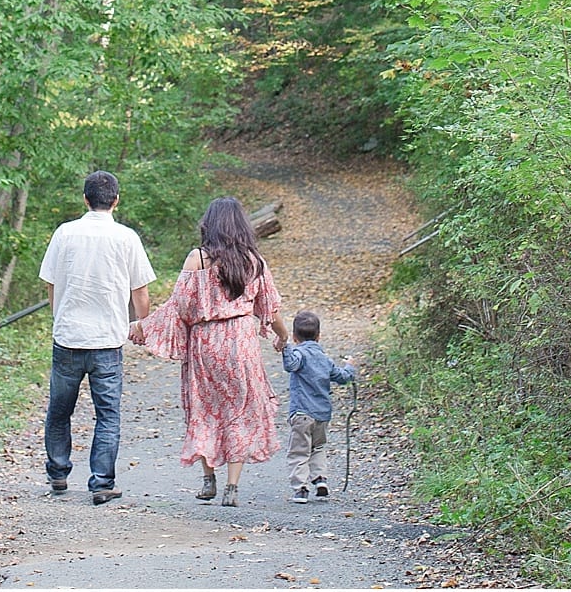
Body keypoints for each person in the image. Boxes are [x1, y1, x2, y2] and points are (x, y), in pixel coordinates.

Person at [133, 196, 290, 508]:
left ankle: (208, 480)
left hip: (206, 342)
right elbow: (269, 308)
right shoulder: (254, 261)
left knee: (205, 408)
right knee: (239, 410)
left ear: (209, 225)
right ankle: (232, 486)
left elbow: (179, 306)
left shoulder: (198, 259)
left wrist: (144, 326)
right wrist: (283, 337)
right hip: (242, 341)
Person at [38, 169, 156, 505]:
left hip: (69, 337)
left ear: (85, 199)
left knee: (60, 409)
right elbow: (140, 291)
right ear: (116, 201)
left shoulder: (65, 233)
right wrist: (139, 324)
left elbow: (51, 282)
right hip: (107, 340)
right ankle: (102, 482)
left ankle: (58, 473)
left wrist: (58, 314)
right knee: (108, 413)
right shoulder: (127, 238)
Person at [280, 309, 357, 503]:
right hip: (322, 414)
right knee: (319, 447)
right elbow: (343, 377)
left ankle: (301, 488)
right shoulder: (325, 359)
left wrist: (284, 346)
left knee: (299, 450)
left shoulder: (298, 354)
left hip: (301, 413)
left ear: (295, 337)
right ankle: (320, 479)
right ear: (319, 336)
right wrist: (350, 366)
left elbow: (291, 365)